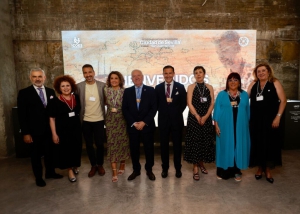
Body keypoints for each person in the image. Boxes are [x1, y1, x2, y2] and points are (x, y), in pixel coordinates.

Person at [17, 68, 63, 187]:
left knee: (50, 153)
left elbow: (53, 112)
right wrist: (26, 133)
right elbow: (22, 115)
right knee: (36, 155)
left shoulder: (51, 91)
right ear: (30, 78)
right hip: (34, 131)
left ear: (44, 77)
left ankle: (50, 173)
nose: (37, 79)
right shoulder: (24, 93)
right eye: (34, 76)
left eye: (39, 76)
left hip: (49, 130)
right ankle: (38, 177)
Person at [247, 63, 287, 184]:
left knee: (269, 144)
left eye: (263, 71)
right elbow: (244, 97)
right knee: (258, 143)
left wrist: (278, 117)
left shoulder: (274, 82)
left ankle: (268, 169)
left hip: (271, 121)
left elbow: (283, 100)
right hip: (256, 121)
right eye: (259, 71)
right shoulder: (254, 83)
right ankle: (260, 168)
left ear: (268, 71)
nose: (261, 73)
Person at [213, 72, 251, 181]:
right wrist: (216, 125)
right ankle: (223, 171)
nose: (233, 82)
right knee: (225, 146)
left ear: (239, 82)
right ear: (227, 82)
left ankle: (237, 171)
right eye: (230, 80)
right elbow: (217, 111)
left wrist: (245, 126)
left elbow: (247, 111)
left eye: (235, 80)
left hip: (240, 126)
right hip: (224, 125)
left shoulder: (244, 95)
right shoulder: (222, 94)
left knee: (238, 146)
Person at [122, 69, 157, 181]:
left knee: (149, 149)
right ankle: (136, 170)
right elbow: (125, 109)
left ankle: (149, 170)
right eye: (134, 76)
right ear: (131, 78)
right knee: (134, 149)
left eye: (138, 75)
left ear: (142, 77)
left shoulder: (151, 90)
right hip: (133, 127)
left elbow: (153, 108)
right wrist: (134, 123)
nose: (136, 78)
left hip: (147, 126)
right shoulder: (127, 91)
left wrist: (144, 122)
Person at [48, 75, 82, 182]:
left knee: (76, 148)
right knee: (67, 150)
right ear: (59, 88)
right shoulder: (55, 101)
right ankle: (70, 170)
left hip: (76, 128)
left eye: (68, 85)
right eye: (63, 86)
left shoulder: (76, 97)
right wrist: (54, 134)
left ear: (71, 86)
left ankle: (75, 165)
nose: (66, 88)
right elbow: (52, 118)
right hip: (63, 130)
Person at [155, 65, 187, 178]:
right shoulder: (158, 88)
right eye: (165, 73)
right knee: (164, 146)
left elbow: (184, 103)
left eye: (170, 73)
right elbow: (156, 104)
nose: (168, 75)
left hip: (177, 121)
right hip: (163, 121)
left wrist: (175, 112)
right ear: (163, 74)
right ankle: (165, 168)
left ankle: (178, 168)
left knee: (177, 146)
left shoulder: (180, 87)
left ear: (173, 74)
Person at [184, 66, 215, 181]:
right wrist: (197, 116)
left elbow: (212, 103)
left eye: (200, 72)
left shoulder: (209, 87)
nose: (198, 74)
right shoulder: (191, 87)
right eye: (196, 73)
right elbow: (189, 103)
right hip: (194, 118)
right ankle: (195, 167)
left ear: (204, 73)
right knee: (195, 142)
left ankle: (202, 164)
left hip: (206, 118)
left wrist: (206, 116)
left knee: (204, 141)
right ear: (194, 75)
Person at [77, 64, 106, 177]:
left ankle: (100, 164)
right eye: (85, 72)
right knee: (89, 145)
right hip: (85, 121)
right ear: (83, 74)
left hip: (99, 120)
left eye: (90, 72)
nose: (88, 75)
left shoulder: (102, 85)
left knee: (100, 144)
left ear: (94, 72)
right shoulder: (78, 87)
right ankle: (93, 165)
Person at [104, 71, 130, 182]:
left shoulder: (125, 91)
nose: (114, 80)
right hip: (110, 120)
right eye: (111, 78)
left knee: (123, 143)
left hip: (122, 120)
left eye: (116, 78)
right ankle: (114, 172)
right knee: (112, 145)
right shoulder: (105, 90)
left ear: (120, 80)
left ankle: (122, 164)